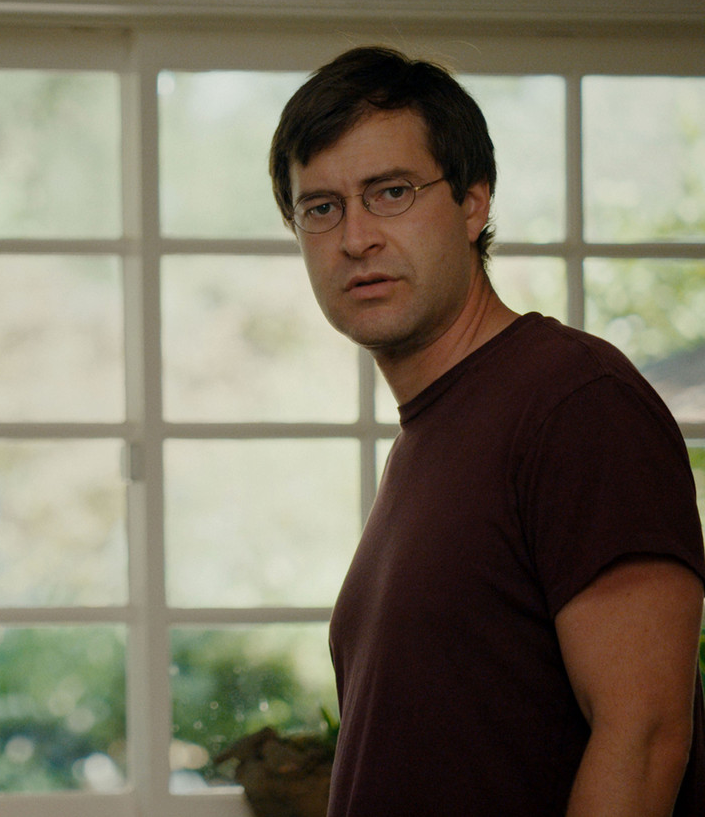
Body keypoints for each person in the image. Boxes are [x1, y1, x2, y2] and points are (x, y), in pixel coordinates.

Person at [269, 46, 705, 815]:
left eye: (391, 192)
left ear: (473, 203)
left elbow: (644, 737)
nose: (356, 237)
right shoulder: (431, 435)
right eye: (322, 207)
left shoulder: (575, 401)